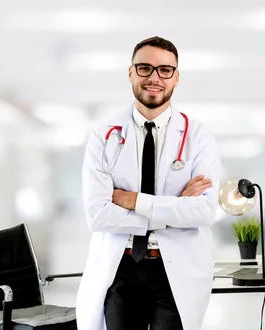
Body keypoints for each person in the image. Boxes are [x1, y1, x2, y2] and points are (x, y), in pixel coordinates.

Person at [76, 36, 222, 330]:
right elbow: (98, 214)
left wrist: (134, 201)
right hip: (122, 267)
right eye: (145, 68)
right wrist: (175, 208)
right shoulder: (104, 137)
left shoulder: (199, 137)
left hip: (176, 269)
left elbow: (205, 212)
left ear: (176, 78)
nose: (154, 78)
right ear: (130, 72)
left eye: (165, 70)